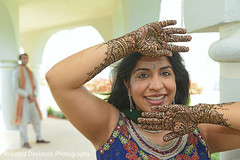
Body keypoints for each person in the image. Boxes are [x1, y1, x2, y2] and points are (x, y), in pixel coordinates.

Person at [46, 20, 240, 159]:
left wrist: (199, 113)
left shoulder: (199, 131)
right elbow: (58, 80)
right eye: (143, 75)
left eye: (165, 73)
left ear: (176, 80)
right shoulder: (109, 127)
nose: (156, 86)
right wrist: (129, 43)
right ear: (127, 85)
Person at [12, 53, 50, 149]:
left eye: (26, 58)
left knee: (36, 119)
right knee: (23, 121)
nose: (25, 59)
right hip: (23, 100)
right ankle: (25, 141)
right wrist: (27, 95)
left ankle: (39, 138)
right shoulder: (16, 72)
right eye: (23, 58)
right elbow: (15, 88)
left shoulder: (30, 72)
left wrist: (34, 94)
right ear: (20, 59)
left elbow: (36, 85)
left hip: (32, 100)